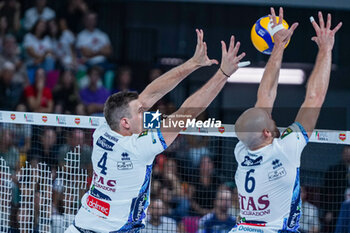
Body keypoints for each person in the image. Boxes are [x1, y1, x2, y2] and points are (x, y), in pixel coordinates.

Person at [65, 29, 246, 232]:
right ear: (125, 123)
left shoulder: (104, 129)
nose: (146, 111)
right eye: (140, 112)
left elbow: (148, 95)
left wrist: (193, 63)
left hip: (79, 226)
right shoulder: (137, 147)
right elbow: (185, 113)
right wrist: (223, 73)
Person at [229, 8, 341, 233]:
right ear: (267, 133)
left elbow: (265, 96)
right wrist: (326, 49)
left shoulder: (243, 151)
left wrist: (278, 46)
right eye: (269, 119)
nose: (271, 115)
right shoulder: (285, 150)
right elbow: (314, 97)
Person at [321, 146, 350, 232]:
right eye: (346, 153)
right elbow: (326, 192)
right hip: (337, 209)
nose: (348, 155)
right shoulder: (334, 170)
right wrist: (328, 211)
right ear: (342, 154)